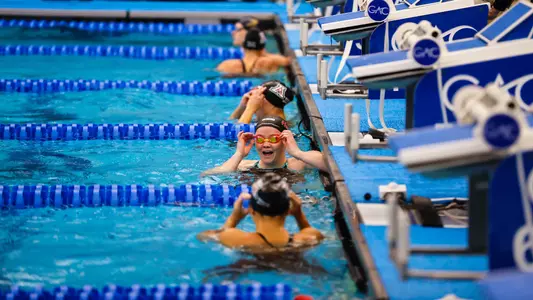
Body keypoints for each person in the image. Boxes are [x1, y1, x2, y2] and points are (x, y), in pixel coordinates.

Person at [197, 173, 324, 252]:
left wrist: (234, 218)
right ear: (288, 210)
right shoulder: (308, 238)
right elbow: (309, 231)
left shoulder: (237, 239)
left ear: (251, 209)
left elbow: (204, 236)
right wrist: (299, 214)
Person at [202, 116, 327, 175]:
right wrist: (239, 154)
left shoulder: (299, 163)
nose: (266, 144)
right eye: (260, 139)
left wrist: (297, 152)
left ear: (284, 141)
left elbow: (330, 165)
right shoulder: (244, 164)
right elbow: (209, 175)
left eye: (273, 139)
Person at [217, 29, 291, 76]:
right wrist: (265, 54)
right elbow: (286, 61)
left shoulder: (226, 64)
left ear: (243, 46)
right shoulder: (267, 62)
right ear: (262, 48)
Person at [229, 80, 294, 124]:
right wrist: (242, 106)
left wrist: (250, 109)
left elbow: (237, 134)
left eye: (255, 95)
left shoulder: (272, 125)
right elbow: (232, 122)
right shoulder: (275, 120)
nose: (251, 98)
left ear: (263, 99)